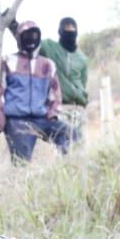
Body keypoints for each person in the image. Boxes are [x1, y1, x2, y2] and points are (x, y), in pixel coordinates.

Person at [0, 20, 74, 163]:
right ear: (19, 38)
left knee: (73, 135)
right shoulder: (8, 61)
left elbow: (55, 94)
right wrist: (0, 118)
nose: (31, 38)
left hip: (42, 118)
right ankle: (21, 183)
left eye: (34, 35)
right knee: (22, 162)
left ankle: (66, 169)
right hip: (17, 120)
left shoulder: (47, 64)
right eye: (27, 35)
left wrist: (53, 115)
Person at [37, 17, 89, 149]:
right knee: (64, 147)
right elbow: (30, 39)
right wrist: (14, 26)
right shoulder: (50, 48)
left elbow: (83, 82)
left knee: (81, 147)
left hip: (79, 109)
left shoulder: (82, 58)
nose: (70, 31)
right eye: (66, 28)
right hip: (60, 108)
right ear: (60, 31)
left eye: (73, 28)